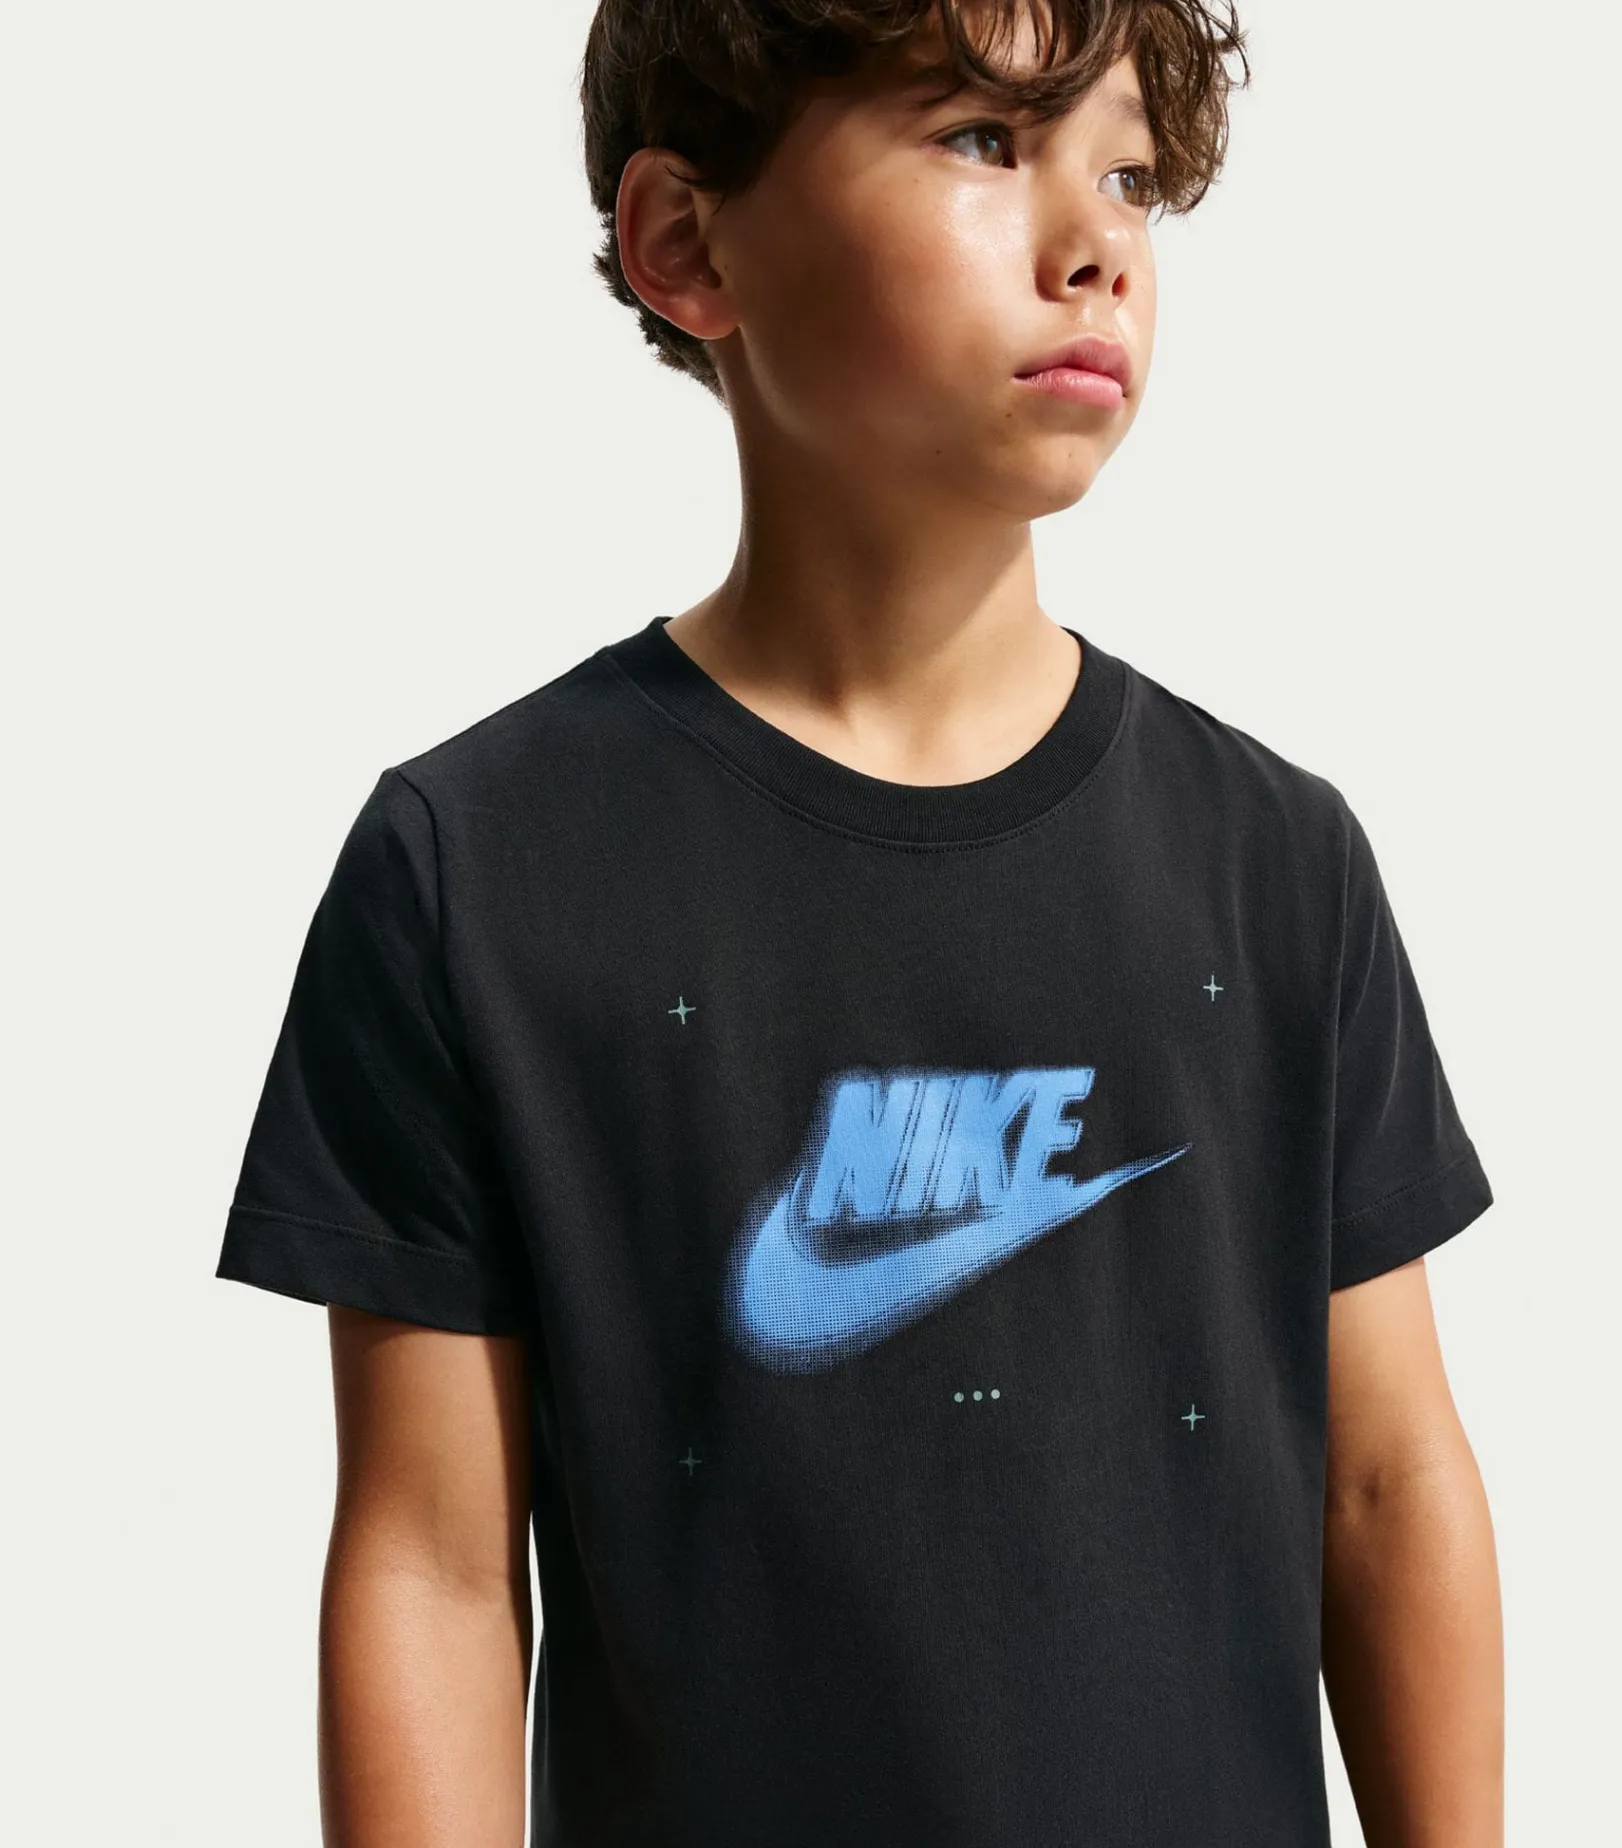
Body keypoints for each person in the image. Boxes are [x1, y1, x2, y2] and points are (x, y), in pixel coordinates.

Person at [215, 2, 1504, 1842]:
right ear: (689, 243)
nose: (1098, 241)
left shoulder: (1276, 864)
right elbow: (433, 1564)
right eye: (986, 140)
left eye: (1131, 173)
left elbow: (1386, 1487)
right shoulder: (474, 872)